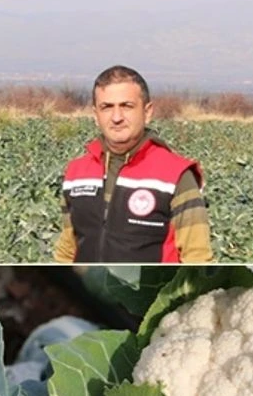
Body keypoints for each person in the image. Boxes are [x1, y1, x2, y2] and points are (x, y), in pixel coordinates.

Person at [54, 65, 213, 263]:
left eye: (127, 106)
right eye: (107, 107)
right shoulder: (76, 173)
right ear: (96, 115)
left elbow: (197, 257)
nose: (117, 117)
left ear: (147, 112)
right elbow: (67, 250)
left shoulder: (176, 175)